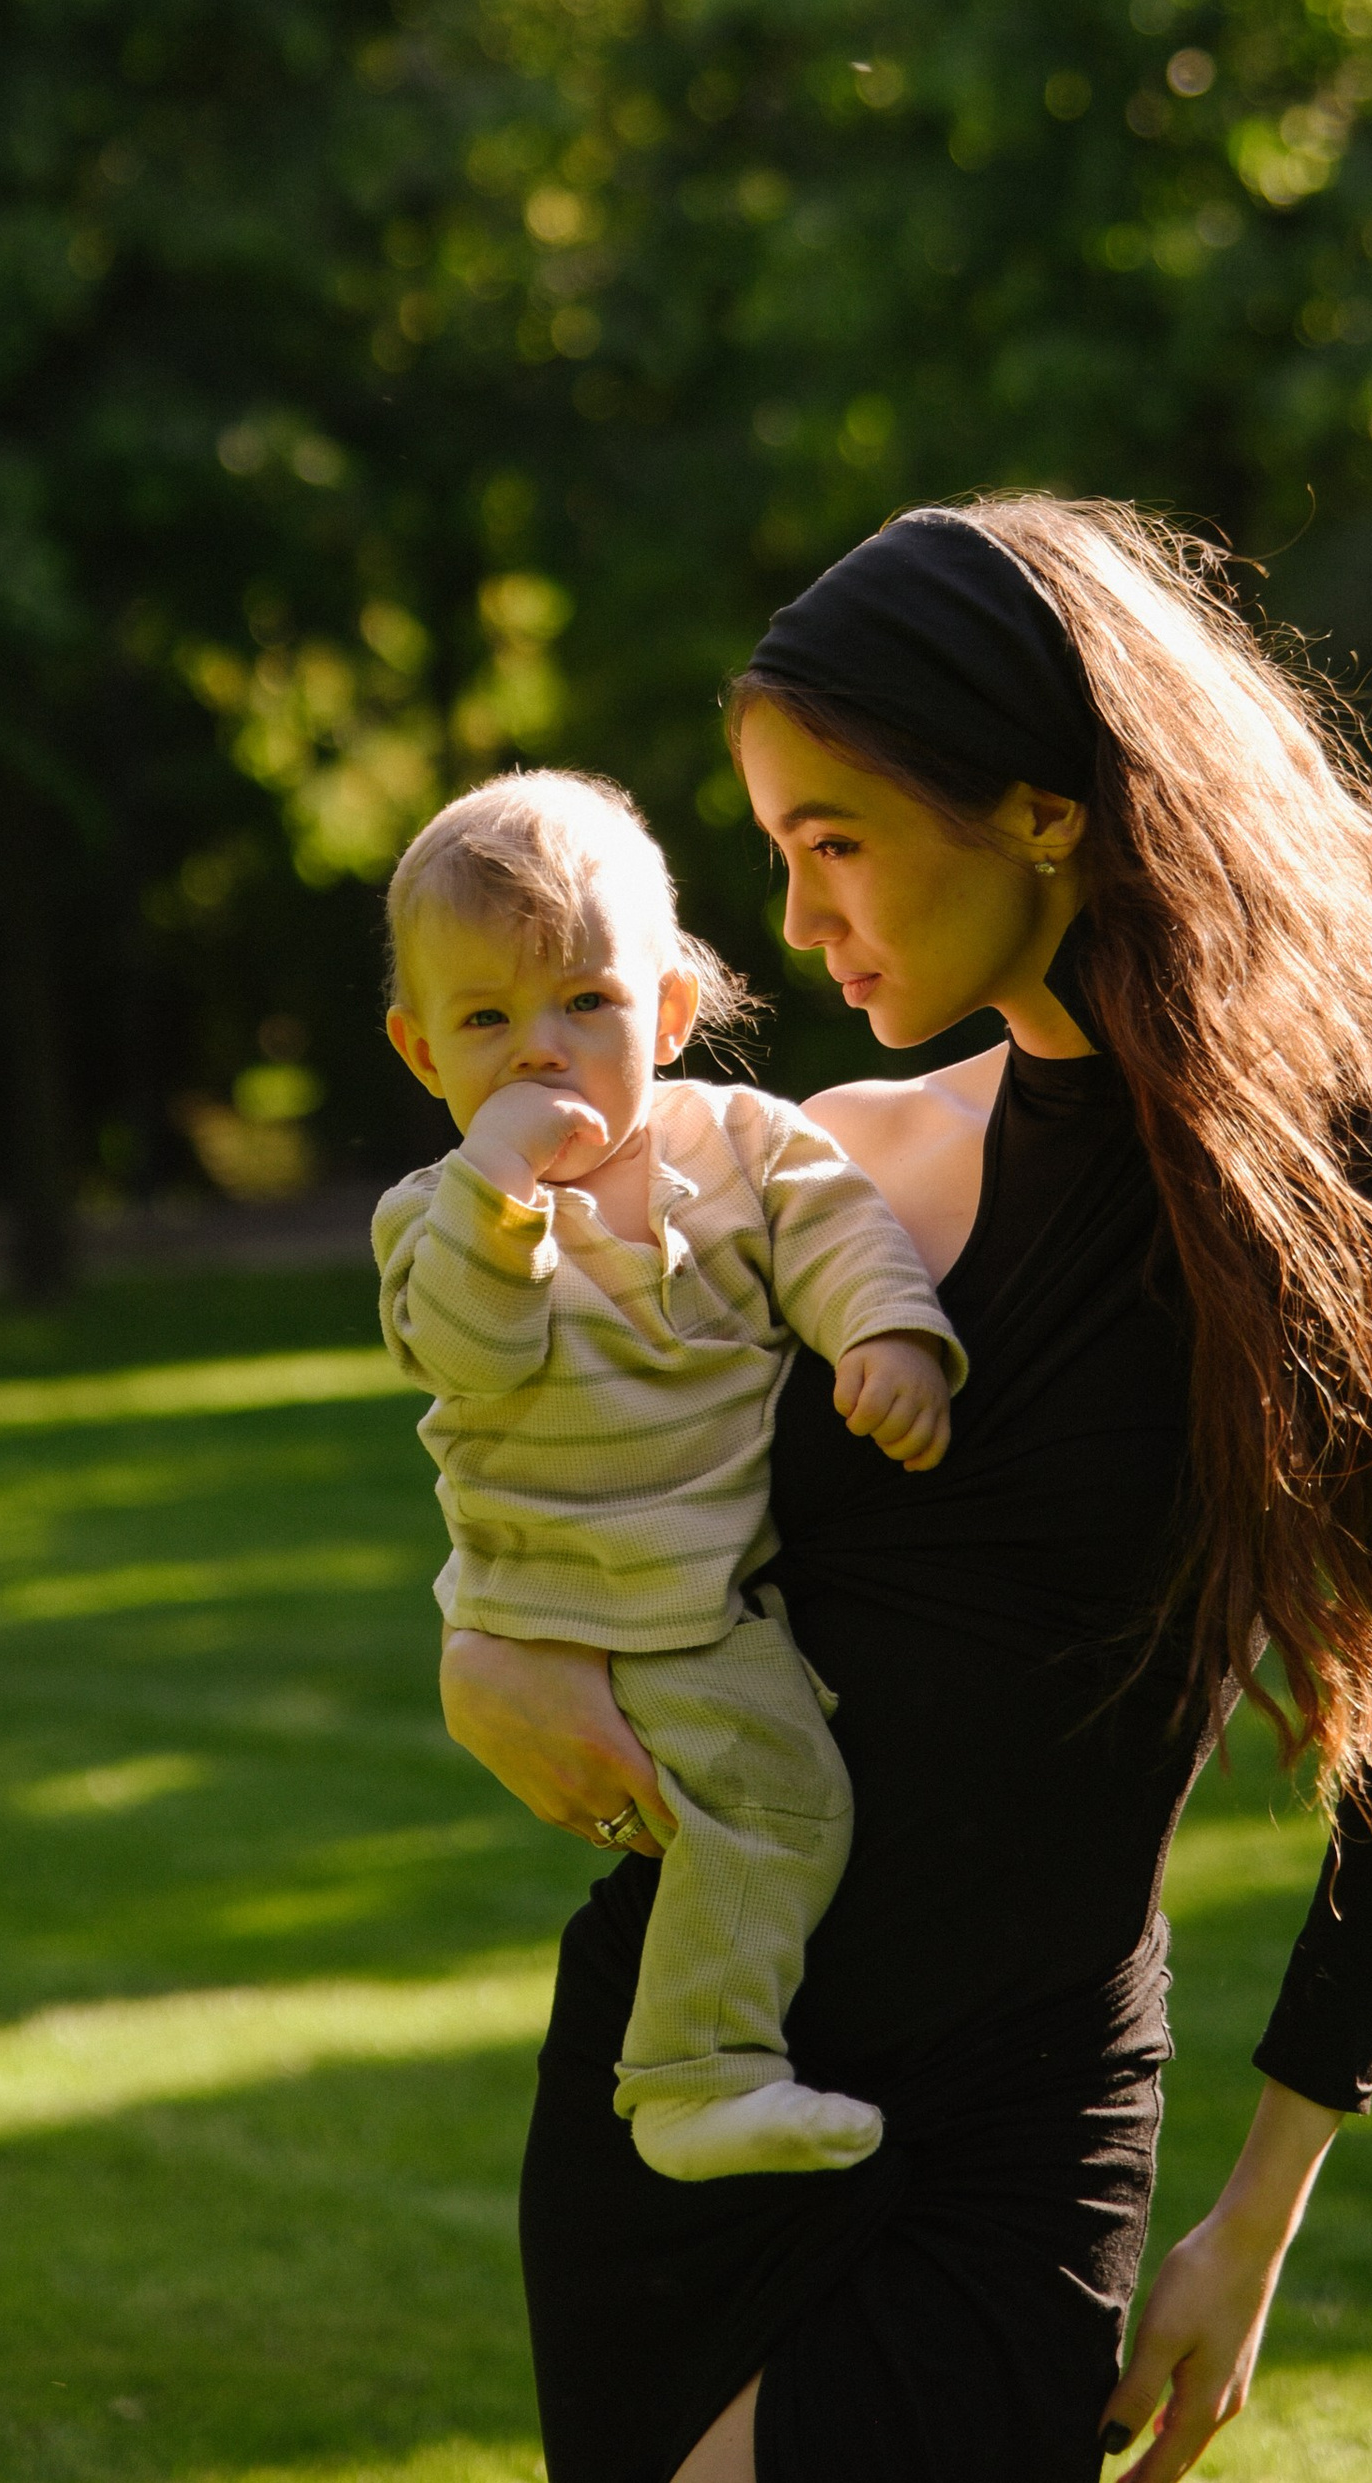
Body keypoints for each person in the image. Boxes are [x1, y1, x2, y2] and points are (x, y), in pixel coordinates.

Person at [443, 496, 1372, 2483]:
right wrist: (478, 1659)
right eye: (769, 854)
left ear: (1039, 812)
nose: (800, 914)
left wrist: (1249, 2226)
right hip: (680, 2103)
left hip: (1015, 2141)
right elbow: (566, 1502)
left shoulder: (1354, 1188)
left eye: (831, 841)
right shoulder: (814, 1163)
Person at [377, 771, 964, 2181]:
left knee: (757, 1802)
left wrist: (887, 1332)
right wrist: (504, 1191)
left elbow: (841, 1231)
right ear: (418, 1050)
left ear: (674, 1010)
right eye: (486, 1020)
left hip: (687, 1581)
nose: (541, 1054)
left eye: (585, 1001)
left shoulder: (745, 1142)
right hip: (571, 1594)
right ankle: (698, 2072)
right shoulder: (435, 1216)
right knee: (782, 1801)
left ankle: (703, 2053)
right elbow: (471, 1351)